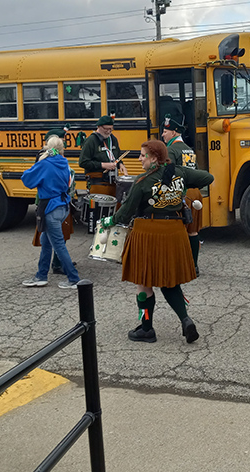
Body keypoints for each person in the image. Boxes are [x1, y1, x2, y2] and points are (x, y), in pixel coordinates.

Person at [100, 139, 214, 344]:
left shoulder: (142, 181)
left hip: (148, 234)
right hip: (174, 233)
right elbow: (208, 177)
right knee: (170, 281)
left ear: (154, 158)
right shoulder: (179, 173)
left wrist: (110, 220)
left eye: (143, 155)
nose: (139, 159)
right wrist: (182, 185)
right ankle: (185, 320)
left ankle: (146, 329)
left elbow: (125, 214)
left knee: (143, 282)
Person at [21, 135, 82, 289]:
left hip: (49, 207)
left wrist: (40, 160)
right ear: (61, 149)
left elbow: (27, 179)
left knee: (58, 245)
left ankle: (73, 278)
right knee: (46, 241)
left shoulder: (45, 164)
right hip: (63, 206)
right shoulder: (64, 162)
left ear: (47, 148)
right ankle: (41, 276)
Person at [161, 115, 204, 271]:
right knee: (193, 231)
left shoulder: (170, 150)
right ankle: (194, 266)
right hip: (195, 194)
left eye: (165, 131)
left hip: (182, 194)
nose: (162, 135)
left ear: (173, 133)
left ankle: (179, 266)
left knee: (178, 231)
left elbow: (167, 174)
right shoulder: (189, 149)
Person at [35, 128, 74, 276]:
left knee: (55, 242)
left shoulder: (49, 160)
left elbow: (29, 178)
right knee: (52, 241)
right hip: (58, 203)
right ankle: (45, 273)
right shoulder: (60, 161)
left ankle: (69, 275)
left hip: (51, 205)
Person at [79, 115, 123, 197]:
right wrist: (102, 165)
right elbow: (83, 162)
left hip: (113, 181)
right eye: (106, 129)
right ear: (99, 127)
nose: (109, 131)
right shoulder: (91, 141)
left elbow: (117, 156)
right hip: (98, 182)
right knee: (100, 207)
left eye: (111, 129)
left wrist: (120, 164)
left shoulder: (113, 139)